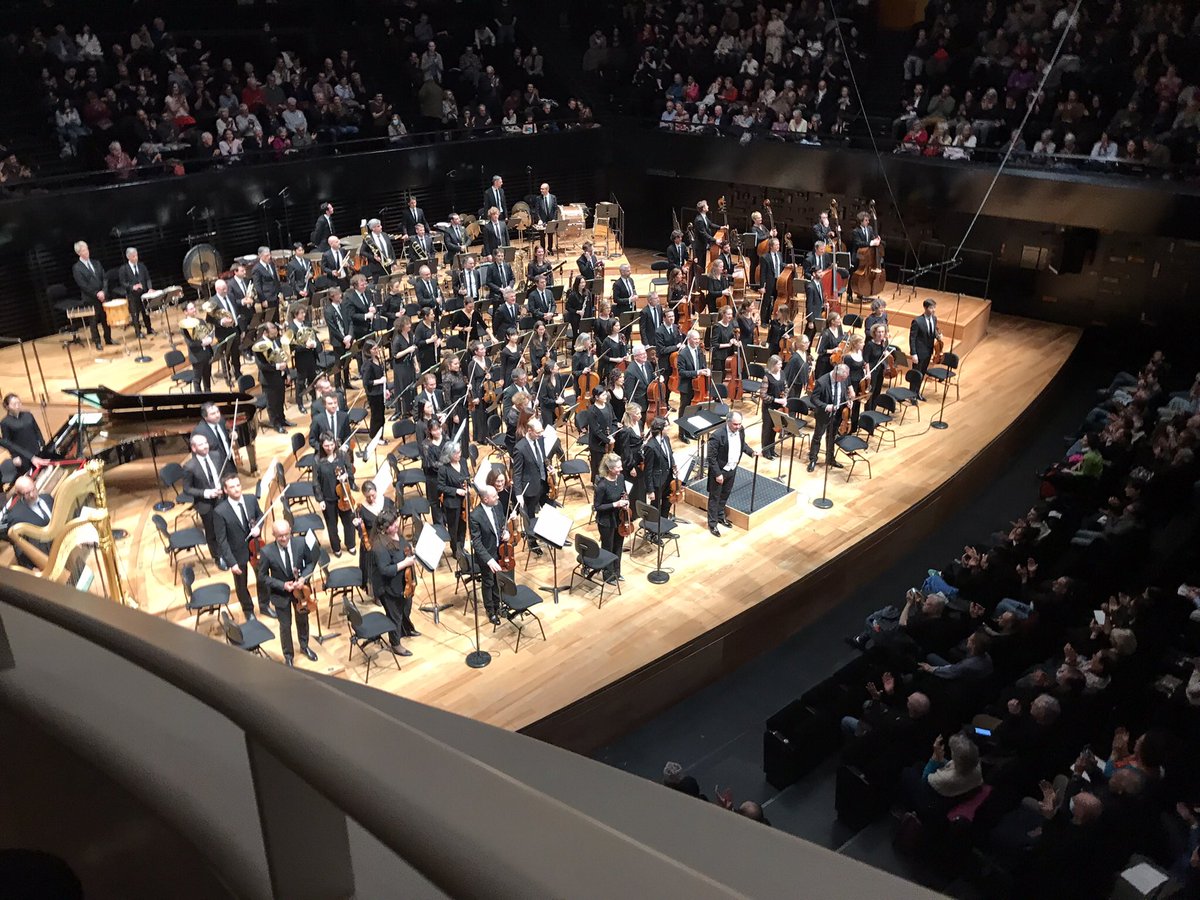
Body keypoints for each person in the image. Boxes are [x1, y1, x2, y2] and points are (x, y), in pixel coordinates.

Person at [256, 521, 318, 666]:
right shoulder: (267, 552)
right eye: (280, 536)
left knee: (303, 621)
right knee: (285, 626)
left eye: (286, 535)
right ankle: (288, 655)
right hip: (281, 593)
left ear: (290, 531)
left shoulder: (301, 543)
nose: (284, 539)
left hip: (301, 591)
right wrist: (282, 585)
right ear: (274, 535)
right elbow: (262, 576)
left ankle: (304, 646)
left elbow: (310, 563)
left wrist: (304, 578)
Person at [213, 474, 271, 620]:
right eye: (232, 487)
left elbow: (260, 516)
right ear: (226, 490)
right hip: (236, 553)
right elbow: (222, 540)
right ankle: (248, 610)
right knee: (241, 585)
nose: (237, 489)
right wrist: (231, 562)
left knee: (262, 578)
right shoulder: (220, 511)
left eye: (238, 485)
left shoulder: (251, 499)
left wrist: (258, 526)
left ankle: (264, 606)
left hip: (255, 548)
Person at [370, 512, 418, 654]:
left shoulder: (397, 534)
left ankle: (406, 629)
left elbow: (403, 547)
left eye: (395, 521)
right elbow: (385, 570)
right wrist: (405, 563)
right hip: (389, 587)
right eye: (391, 525)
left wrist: (410, 551)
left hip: (405, 582)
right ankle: (395, 644)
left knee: (406, 608)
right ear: (384, 528)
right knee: (395, 615)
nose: (395, 525)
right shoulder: (379, 546)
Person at [706, 411, 758, 536]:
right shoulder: (717, 436)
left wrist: (751, 452)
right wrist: (717, 474)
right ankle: (712, 524)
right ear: (728, 422)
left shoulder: (741, 430)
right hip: (720, 471)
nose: (738, 427)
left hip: (732, 468)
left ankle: (720, 516)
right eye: (735, 424)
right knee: (715, 497)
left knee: (725, 494)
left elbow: (742, 444)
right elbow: (711, 458)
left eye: (739, 424)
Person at [468, 483, 508, 625]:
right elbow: (476, 543)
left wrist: (506, 532)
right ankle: (491, 610)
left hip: (500, 550)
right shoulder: (475, 516)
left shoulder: (497, 506)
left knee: (499, 579)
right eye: (494, 496)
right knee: (489, 582)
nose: (498, 497)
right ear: (485, 499)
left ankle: (499, 605)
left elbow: (502, 523)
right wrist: (489, 560)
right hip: (487, 555)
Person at [312, 432, 357, 556]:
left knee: (348, 522)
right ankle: (336, 547)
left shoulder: (342, 455)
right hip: (328, 498)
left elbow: (350, 470)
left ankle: (351, 544)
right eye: (326, 446)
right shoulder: (317, 460)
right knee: (332, 525)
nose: (330, 448)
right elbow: (315, 482)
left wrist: (346, 476)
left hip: (343, 495)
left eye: (332, 445)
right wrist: (320, 500)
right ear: (321, 445)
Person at [180, 433, 224, 561]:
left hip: (222, 498)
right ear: (194, 448)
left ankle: (227, 551)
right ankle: (217, 557)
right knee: (212, 532)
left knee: (224, 527)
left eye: (205, 443)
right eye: (201, 444)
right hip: (206, 504)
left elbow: (223, 475)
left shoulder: (216, 456)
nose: (205, 446)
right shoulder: (189, 466)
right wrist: (206, 493)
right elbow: (187, 489)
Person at [807, 364, 854, 473]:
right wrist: (826, 406)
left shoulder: (843, 379)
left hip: (837, 414)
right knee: (817, 436)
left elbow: (844, 392)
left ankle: (830, 459)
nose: (844, 380)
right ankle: (813, 459)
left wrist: (848, 401)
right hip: (823, 414)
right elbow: (814, 399)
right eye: (842, 379)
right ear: (836, 375)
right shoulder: (822, 382)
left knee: (831, 436)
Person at [592, 452, 629, 584]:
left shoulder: (621, 478)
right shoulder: (602, 485)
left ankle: (617, 572)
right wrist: (615, 504)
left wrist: (626, 502)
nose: (621, 469)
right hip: (606, 521)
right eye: (618, 467)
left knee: (618, 545)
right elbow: (597, 507)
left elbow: (624, 493)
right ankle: (608, 575)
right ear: (610, 469)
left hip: (619, 519)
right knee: (608, 547)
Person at [71, 240, 114, 351]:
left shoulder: (96, 263)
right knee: (94, 321)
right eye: (84, 250)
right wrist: (96, 294)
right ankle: (97, 342)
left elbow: (104, 278)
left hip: (103, 296)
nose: (87, 252)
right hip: (91, 298)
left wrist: (103, 291)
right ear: (79, 253)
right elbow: (83, 285)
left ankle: (108, 338)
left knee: (106, 319)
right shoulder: (77, 268)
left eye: (87, 249)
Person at [3, 475, 54, 568]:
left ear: (35, 484)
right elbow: (20, 549)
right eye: (27, 493)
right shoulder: (16, 516)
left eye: (33, 489)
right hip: (46, 559)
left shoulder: (48, 499)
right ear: (19, 494)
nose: (32, 495)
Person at [253, 322, 291, 433]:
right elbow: (262, 366)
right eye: (273, 328)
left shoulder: (276, 340)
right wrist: (278, 366)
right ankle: (276, 424)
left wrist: (287, 372)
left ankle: (282, 420)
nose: (276, 330)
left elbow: (282, 356)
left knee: (280, 400)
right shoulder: (258, 346)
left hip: (280, 376)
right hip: (268, 379)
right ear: (265, 332)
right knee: (272, 403)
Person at [436, 442, 470, 559]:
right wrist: (456, 491)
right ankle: (455, 550)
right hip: (452, 502)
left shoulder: (463, 461)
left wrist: (467, 486)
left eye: (459, 452)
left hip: (464, 501)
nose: (459, 454)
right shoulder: (443, 469)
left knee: (463, 525)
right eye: (456, 453)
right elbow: (441, 486)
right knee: (454, 527)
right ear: (449, 455)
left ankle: (462, 547)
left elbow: (467, 477)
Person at [675, 330, 711, 441]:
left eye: (698, 339)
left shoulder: (699, 351)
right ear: (689, 339)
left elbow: (703, 365)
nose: (697, 341)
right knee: (685, 411)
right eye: (695, 339)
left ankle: (690, 431)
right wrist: (697, 372)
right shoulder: (683, 354)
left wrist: (706, 370)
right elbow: (681, 372)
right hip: (687, 387)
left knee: (694, 411)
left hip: (698, 386)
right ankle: (682, 434)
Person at [1, 394, 47, 475]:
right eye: (14, 404)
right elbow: (7, 442)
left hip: (36, 449)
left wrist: (42, 443)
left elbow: (37, 430)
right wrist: (14, 456)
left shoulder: (28, 415)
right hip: (22, 454)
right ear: (7, 407)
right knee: (31, 475)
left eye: (19, 403)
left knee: (43, 472)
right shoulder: (5, 422)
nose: (17, 406)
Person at [117, 246, 154, 338]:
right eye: (133, 256)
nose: (136, 258)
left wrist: (149, 288)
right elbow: (122, 282)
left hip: (144, 294)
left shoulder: (142, 266)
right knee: (135, 314)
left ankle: (149, 329)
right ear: (128, 257)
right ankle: (138, 332)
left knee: (146, 312)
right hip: (132, 296)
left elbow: (148, 278)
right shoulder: (124, 269)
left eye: (136, 255)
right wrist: (132, 287)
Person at [909, 297, 941, 400]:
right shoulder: (917, 321)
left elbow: (933, 331)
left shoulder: (934, 318)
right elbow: (912, 338)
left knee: (922, 373)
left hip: (928, 351)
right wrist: (913, 353)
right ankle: (911, 395)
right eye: (931, 308)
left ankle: (917, 393)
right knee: (916, 374)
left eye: (934, 307)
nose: (933, 310)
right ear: (925, 308)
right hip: (919, 353)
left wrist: (938, 336)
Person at [760, 354, 787, 460]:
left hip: (779, 406)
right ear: (773, 365)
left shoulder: (782, 373)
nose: (781, 366)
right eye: (779, 364)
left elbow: (785, 387)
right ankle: (765, 450)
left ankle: (772, 449)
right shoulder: (767, 377)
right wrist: (776, 400)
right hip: (769, 407)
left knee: (775, 428)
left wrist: (785, 397)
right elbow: (763, 395)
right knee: (767, 429)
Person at [586, 387, 615, 481]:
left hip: (609, 439)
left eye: (605, 393)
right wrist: (607, 440)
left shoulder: (608, 406)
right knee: (598, 465)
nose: (606, 395)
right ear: (596, 397)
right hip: (597, 443)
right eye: (603, 395)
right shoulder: (591, 411)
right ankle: (597, 483)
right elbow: (596, 430)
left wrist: (613, 434)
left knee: (608, 464)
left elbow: (614, 421)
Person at [361, 342, 388, 440]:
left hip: (380, 392)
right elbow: (366, 382)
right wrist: (379, 381)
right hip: (373, 394)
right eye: (374, 349)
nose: (377, 350)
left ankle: (380, 437)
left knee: (381, 417)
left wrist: (386, 389)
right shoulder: (367, 365)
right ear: (368, 351)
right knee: (376, 417)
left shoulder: (377, 359)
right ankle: (374, 437)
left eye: (377, 348)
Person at [534, 182, 558, 252]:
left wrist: (554, 219)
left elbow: (555, 209)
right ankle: (543, 250)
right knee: (542, 236)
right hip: (542, 220)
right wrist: (539, 219)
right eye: (541, 189)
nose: (541, 190)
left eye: (542, 189)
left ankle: (550, 249)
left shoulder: (553, 197)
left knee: (550, 235)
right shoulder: (538, 198)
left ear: (547, 189)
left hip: (550, 219)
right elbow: (537, 210)